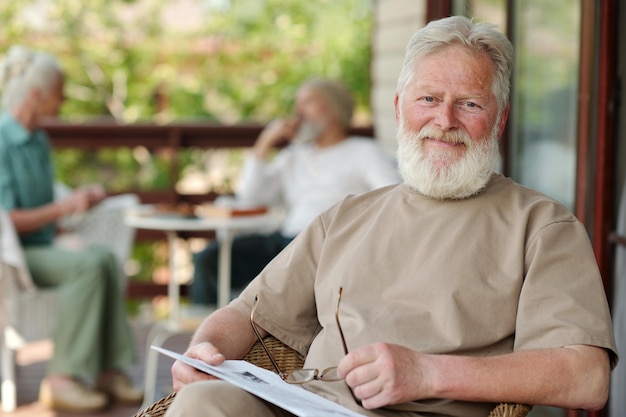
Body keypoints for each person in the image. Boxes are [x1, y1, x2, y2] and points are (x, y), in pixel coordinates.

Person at [165, 16, 618, 417]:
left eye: (470, 104)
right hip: (302, 404)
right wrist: (203, 353)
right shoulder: (346, 215)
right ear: (400, 108)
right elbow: (248, 312)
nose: (444, 120)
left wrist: (429, 373)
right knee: (202, 403)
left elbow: (586, 377)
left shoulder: (541, 226)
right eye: (428, 98)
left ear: (498, 121)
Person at [0, 46, 143, 412]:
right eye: (60, 92)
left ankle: (109, 371)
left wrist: (79, 201)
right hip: (13, 255)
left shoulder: (38, 140)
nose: (63, 99)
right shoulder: (2, 138)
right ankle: (61, 378)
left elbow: (46, 204)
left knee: (104, 257)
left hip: (43, 247)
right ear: (37, 95)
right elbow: (7, 217)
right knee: (88, 264)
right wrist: (64, 207)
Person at [190, 77, 401, 306]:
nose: (298, 112)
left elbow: (391, 195)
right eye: (297, 104)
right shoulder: (293, 155)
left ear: (333, 108)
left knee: (285, 289)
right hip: (286, 241)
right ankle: (209, 336)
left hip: (330, 246)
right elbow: (250, 198)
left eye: (308, 102)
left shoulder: (363, 152)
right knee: (211, 259)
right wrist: (265, 142)